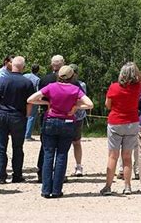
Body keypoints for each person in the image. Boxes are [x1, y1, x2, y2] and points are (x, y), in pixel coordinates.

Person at [27, 65, 93, 198]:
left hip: (50, 121)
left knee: (48, 155)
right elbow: (90, 104)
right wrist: (76, 107)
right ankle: (57, 190)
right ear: (72, 76)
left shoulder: (51, 87)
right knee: (62, 155)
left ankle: (46, 190)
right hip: (67, 123)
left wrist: (47, 104)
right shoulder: (75, 89)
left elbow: (30, 99)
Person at [100, 62, 141, 196]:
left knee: (113, 156)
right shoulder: (138, 87)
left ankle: (108, 186)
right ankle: (127, 186)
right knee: (127, 156)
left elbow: (108, 105)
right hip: (132, 122)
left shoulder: (114, 87)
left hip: (116, 121)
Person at [0, 56, 34, 184]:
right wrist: (27, 115)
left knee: (1, 146)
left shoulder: (2, 80)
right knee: (18, 147)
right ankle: (17, 175)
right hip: (18, 116)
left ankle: (1, 175)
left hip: (2, 114)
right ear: (23, 67)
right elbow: (29, 102)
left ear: (11, 65)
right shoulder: (27, 82)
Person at [36, 55, 65, 182]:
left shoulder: (44, 79)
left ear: (51, 65)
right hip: (64, 115)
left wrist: (47, 105)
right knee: (61, 148)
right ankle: (59, 175)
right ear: (63, 64)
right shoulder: (69, 80)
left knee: (45, 146)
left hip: (47, 114)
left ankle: (42, 173)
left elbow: (39, 97)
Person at [69, 64, 86, 177]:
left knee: (76, 142)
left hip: (77, 116)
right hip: (68, 115)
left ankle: (78, 165)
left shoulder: (81, 85)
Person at [23, 63, 40, 141]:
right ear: (38, 70)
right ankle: (27, 135)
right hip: (32, 100)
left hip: (23, 99)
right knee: (31, 117)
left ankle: (21, 133)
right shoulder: (37, 79)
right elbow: (37, 91)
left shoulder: (25, 76)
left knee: (23, 116)